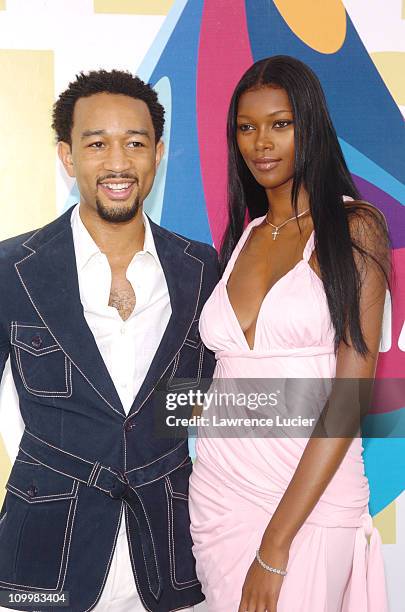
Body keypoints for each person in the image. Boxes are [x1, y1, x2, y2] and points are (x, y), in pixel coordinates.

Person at [0, 70, 218, 611]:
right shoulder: (12, 268)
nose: (118, 163)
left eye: (135, 143)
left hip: (172, 558)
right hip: (42, 553)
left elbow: (222, 403)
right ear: (68, 157)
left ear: (159, 154)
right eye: (96, 144)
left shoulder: (201, 267)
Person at [189, 56, 390, 611]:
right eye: (246, 128)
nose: (261, 143)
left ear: (310, 126)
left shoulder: (354, 229)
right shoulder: (245, 235)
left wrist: (275, 546)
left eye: (280, 124)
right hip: (220, 498)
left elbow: (350, 399)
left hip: (309, 501)